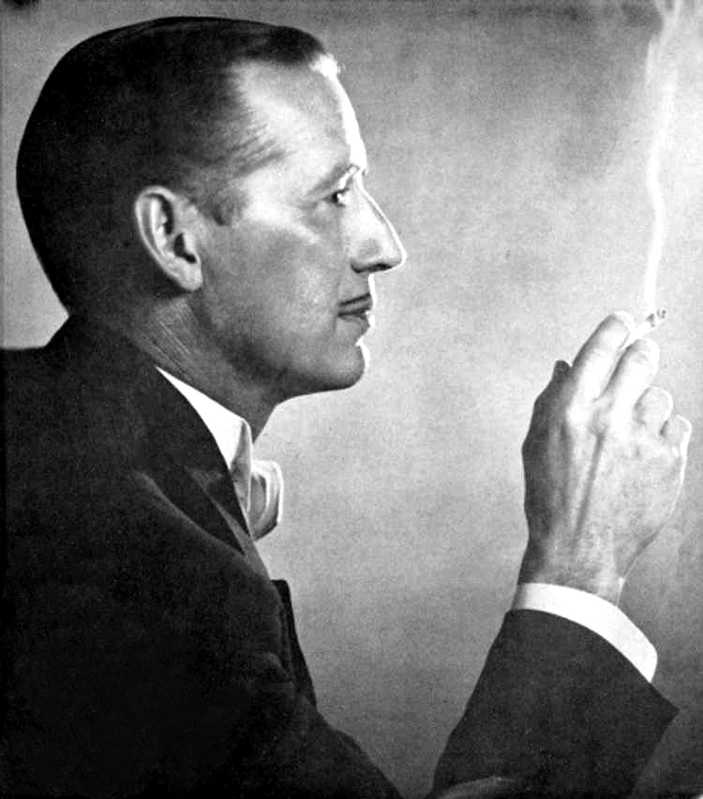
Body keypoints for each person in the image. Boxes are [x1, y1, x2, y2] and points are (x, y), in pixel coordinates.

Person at [1, 16, 691, 799]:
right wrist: (579, 560)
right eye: (333, 195)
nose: (383, 244)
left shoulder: (58, 448)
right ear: (174, 238)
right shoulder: (130, 560)